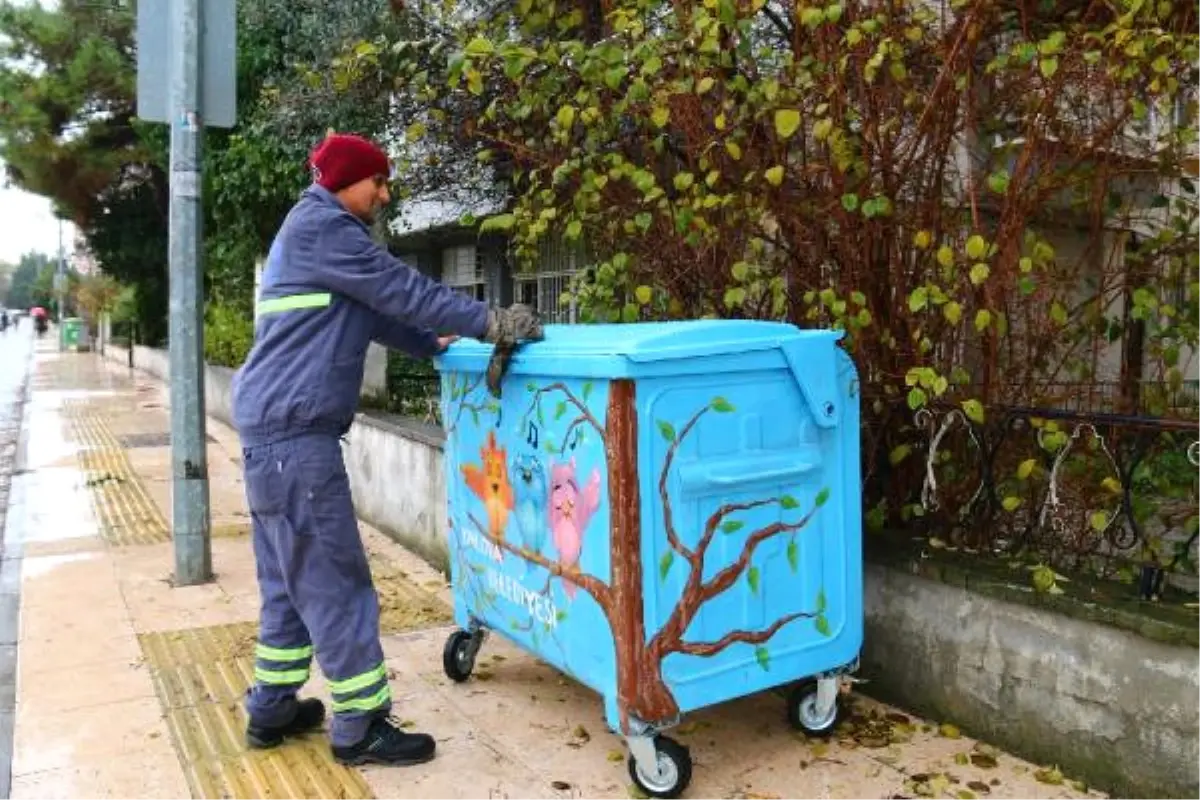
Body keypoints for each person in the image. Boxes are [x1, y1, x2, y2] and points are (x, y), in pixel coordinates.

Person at [231, 132, 543, 767]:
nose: (384, 192)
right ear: (347, 178)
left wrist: (435, 345)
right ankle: (361, 726)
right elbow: (399, 287)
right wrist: (489, 322)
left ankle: (271, 709)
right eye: (377, 180)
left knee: (289, 580)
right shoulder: (327, 228)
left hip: (272, 437)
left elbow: (375, 314)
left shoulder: (310, 236)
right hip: (296, 440)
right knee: (337, 581)